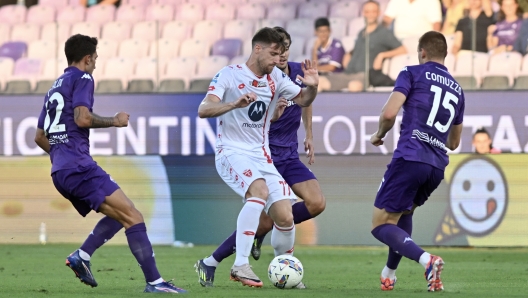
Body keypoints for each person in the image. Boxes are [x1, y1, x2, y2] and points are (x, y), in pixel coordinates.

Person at [33, 34, 185, 294]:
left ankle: (83, 255)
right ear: (87, 58)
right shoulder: (83, 78)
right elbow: (82, 119)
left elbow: (39, 137)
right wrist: (114, 121)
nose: (95, 64)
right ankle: (155, 283)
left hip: (60, 171)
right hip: (78, 166)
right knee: (134, 216)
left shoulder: (54, 88)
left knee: (121, 215)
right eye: (95, 59)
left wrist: (61, 157)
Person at [195, 27, 326, 289]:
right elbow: (204, 109)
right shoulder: (229, 75)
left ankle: (285, 270)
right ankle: (240, 264)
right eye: (274, 54)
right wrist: (233, 104)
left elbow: (303, 99)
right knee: (259, 190)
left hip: (261, 155)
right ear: (258, 49)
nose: (278, 60)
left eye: (282, 54)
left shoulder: (276, 77)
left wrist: (313, 87)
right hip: (231, 151)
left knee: (285, 214)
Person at [369, 31, 465, 292]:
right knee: (404, 213)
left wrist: (379, 134)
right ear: (444, 54)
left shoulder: (412, 72)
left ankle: (427, 260)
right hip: (436, 166)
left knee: (380, 224)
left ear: (422, 52)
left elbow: (389, 113)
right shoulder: (458, 90)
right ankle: (389, 274)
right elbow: (454, 143)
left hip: (410, 156)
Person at [320, 1, 407, 92]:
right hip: (347, 74)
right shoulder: (361, 33)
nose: (370, 15)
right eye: (367, 12)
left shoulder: (384, 33)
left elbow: (402, 50)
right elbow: (360, 48)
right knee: (318, 82)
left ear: (379, 13)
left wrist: (382, 55)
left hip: (364, 76)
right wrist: (349, 54)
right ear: (363, 13)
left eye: (373, 11)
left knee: (354, 86)